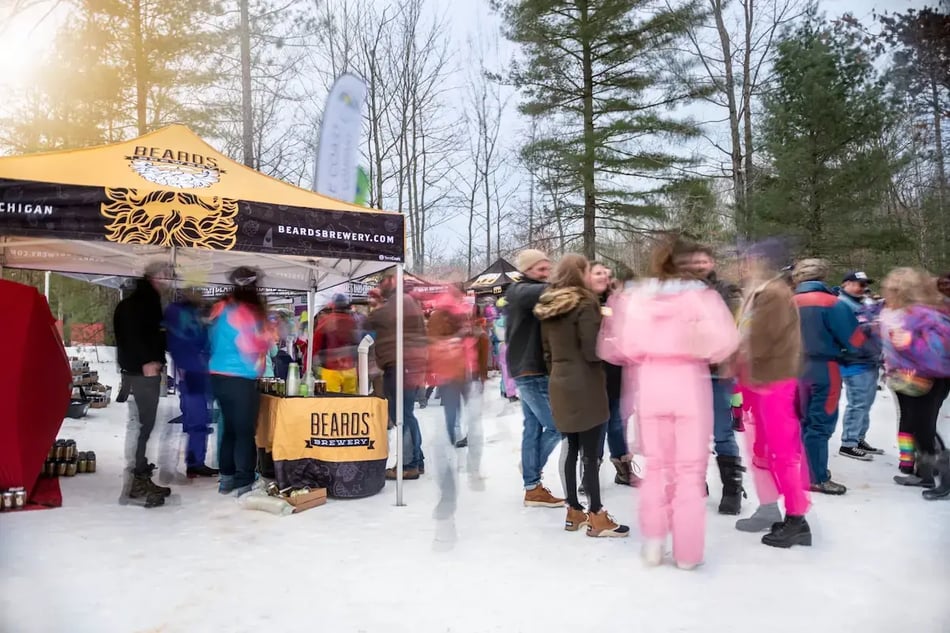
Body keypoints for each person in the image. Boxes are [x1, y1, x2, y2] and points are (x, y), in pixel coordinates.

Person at [599, 236, 739, 569]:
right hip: (688, 385)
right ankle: (688, 552)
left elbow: (615, 346)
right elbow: (724, 342)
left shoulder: (634, 298)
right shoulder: (701, 298)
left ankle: (653, 541)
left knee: (657, 468)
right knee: (689, 470)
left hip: (650, 385)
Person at [535, 254, 629, 537]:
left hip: (560, 380)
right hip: (586, 382)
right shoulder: (586, 302)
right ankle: (597, 515)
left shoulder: (549, 304)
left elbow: (547, 351)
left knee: (571, 447)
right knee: (590, 452)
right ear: (580, 273)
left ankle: (573, 511)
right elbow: (592, 349)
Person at [732, 243, 812, 548]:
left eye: (749, 259)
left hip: (773, 384)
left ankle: (797, 519)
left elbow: (760, 341)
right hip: (757, 384)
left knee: (782, 452)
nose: (743, 264)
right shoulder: (758, 292)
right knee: (762, 452)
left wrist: (726, 355)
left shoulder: (774, 294)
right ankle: (770, 508)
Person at [791, 259, 863, 495]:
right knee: (820, 424)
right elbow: (855, 342)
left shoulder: (785, 303)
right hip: (825, 368)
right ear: (823, 276)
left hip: (793, 368)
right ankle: (817, 477)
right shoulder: (833, 304)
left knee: (802, 420)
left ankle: (807, 470)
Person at [879, 268, 950, 491]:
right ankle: (924, 473)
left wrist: (909, 342)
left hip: (930, 377)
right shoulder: (901, 312)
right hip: (910, 377)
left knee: (923, 426)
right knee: (916, 425)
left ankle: (945, 477)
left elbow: (941, 348)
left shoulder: (925, 312)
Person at [688, 244, 745, 515]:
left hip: (717, 371)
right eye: (694, 262)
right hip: (686, 372)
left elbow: (735, 328)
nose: (700, 266)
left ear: (712, 263)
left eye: (704, 261)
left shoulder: (726, 290)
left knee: (722, 431)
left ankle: (732, 489)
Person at [505, 249, 564, 508]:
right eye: (541, 269)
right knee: (557, 425)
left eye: (548, 267)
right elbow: (543, 293)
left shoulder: (530, 291)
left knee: (532, 427)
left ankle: (532, 488)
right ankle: (532, 469)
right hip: (530, 370)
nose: (546, 273)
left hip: (531, 368)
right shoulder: (519, 291)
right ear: (526, 270)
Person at [114, 261, 174, 507]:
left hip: (143, 372)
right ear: (154, 276)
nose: (169, 280)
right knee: (140, 426)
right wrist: (144, 363)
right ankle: (135, 484)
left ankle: (140, 475)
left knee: (144, 426)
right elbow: (131, 338)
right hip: (140, 374)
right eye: (166, 275)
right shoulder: (138, 305)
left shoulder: (146, 303)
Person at [209, 267, 271, 496]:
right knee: (244, 431)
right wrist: (265, 339)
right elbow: (250, 345)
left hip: (218, 376)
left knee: (230, 430)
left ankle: (226, 480)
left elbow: (210, 340)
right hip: (241, 377)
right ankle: (244, 481)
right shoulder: (245, 311)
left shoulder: (221, 307)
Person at [368, 271, 427, 480]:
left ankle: (409, 464)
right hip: (406, 364)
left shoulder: (400, 300)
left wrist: (375, 303)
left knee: (402, 415)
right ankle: (416, 460)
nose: (380, 284)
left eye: (382, 280)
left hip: (402, 364)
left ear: (392, 280)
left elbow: (375, 319)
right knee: (406, 414)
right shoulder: (404, 300)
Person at [588, 262, 637, 487]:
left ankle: (623, 470)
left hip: (616, 371)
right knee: (596, 425)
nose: (604, 277)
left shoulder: (616, 301)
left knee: (618, 422)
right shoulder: (581, 302)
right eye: (598, 273)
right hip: (591, 373)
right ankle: (589, 473)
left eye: (606, 273)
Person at [164, 287, 218, 479]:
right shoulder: (179, 313)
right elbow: (181, 342)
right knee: (197, 419)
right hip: (191, 371)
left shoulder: (188, 313)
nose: (201, 296)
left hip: (196, 371)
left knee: (199, 418)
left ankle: (196, 461)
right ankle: (194, 463)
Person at [837, 271, 885, 460]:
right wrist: (870, 326)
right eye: (858, 284)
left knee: (866, 402)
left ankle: (858, 438)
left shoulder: (863, 303)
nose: (862, 288)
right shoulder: (841, 304)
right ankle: (848, 443)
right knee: (857, 403)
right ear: (846, 284)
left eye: (865, 284)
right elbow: (845, 333)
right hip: (854, 361)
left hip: (869, 359)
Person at [313, 294, 359, 394]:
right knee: (351, 402)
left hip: (331, 368)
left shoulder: (326, 321)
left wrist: (315, 361)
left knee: (332, 402)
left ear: (333, 306)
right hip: (350, 369)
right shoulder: (353, 321)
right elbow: (357, 344)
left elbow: (316, 344)